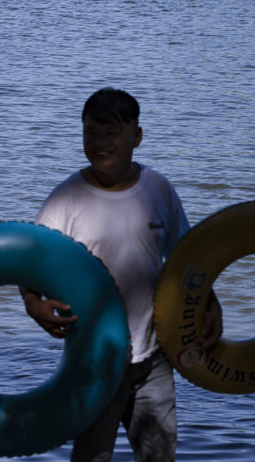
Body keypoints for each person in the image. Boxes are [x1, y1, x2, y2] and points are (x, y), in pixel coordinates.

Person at [21, 88, 223, 462]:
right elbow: (29, 264)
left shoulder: (158, 189)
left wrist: (211, 303)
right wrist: (33, 303)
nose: (99, 143)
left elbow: (186, 260)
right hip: (94, 361)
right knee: (92, 457)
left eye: (112, 133)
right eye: (90, 133)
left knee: (160, 457)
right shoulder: (65, 201)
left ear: (137, 137)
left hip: (153, 357)